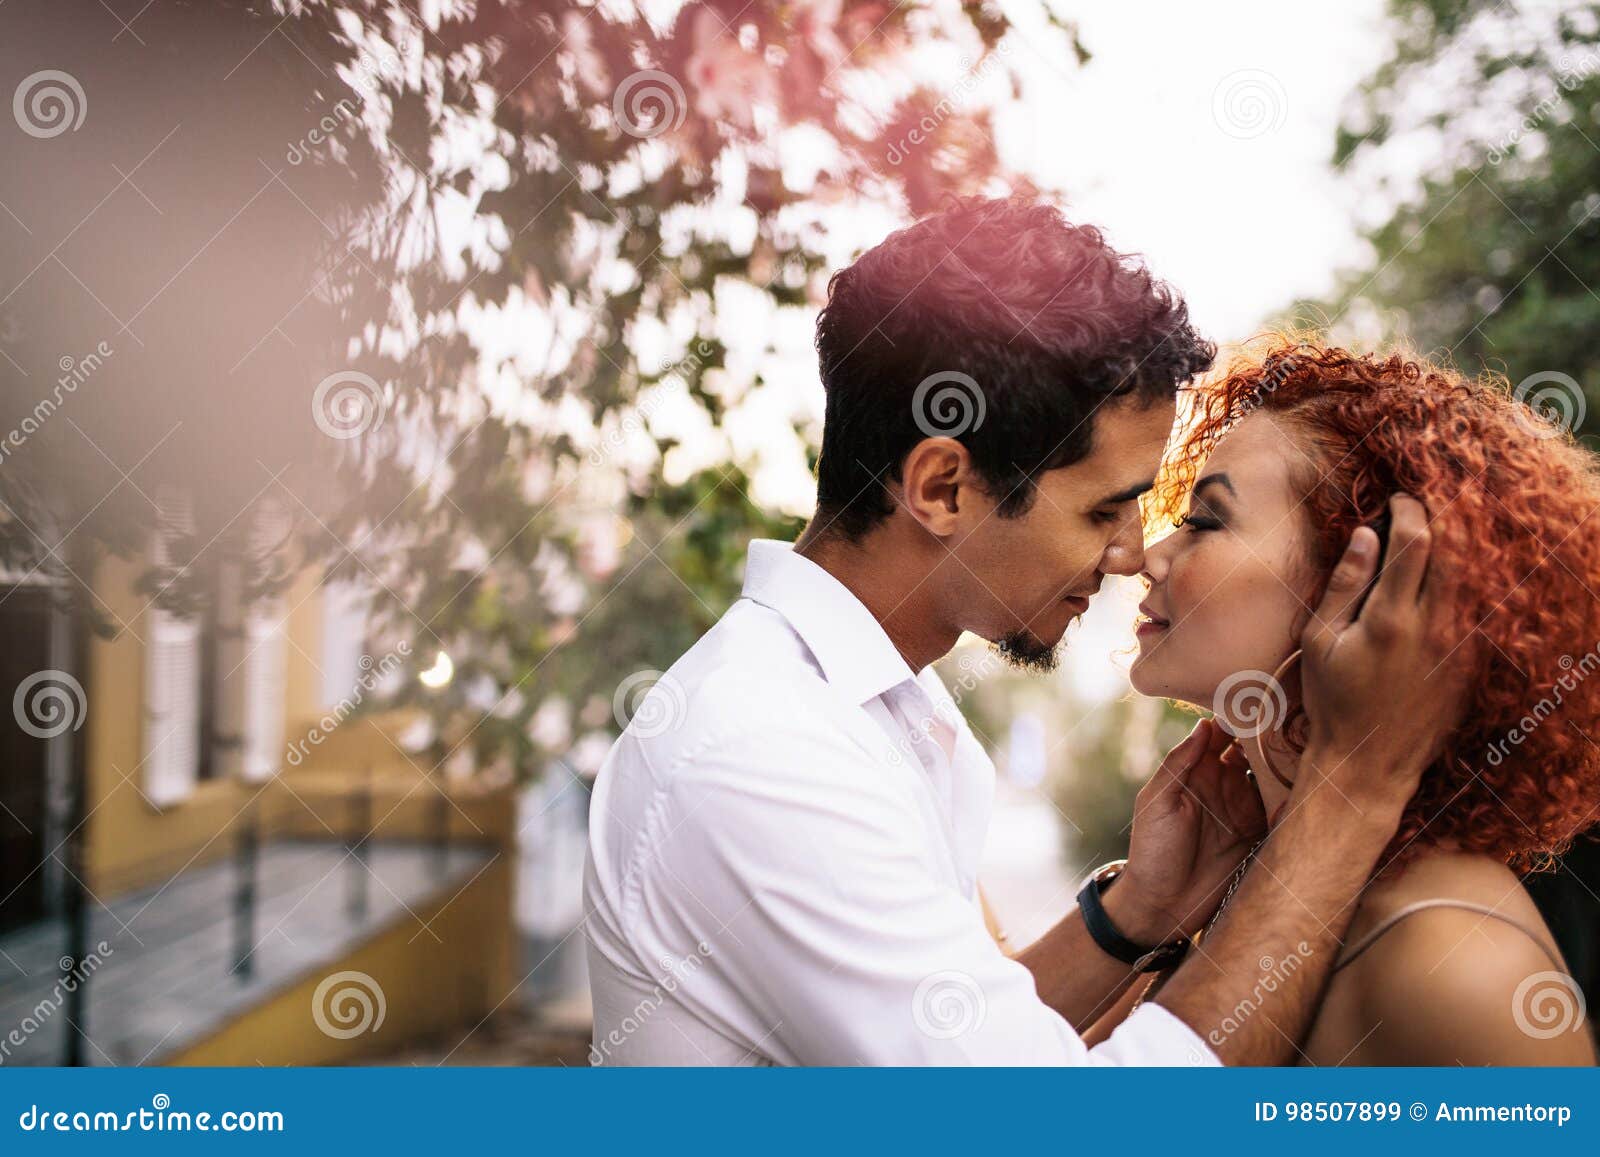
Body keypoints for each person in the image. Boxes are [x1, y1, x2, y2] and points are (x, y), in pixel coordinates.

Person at [581, 197, 1469, 1065]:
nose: (1131, 556)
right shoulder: (766, 751)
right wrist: (1353, 788)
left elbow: (963, 1045)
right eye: (1104, 511)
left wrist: (1133, 917)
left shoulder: (882, 707)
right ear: (942, 487)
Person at [1126, 338, 1599, 1065]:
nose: (1150, 554)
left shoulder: (1454, 968)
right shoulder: (1238, 883)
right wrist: (1130, 917)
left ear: (1371, 590)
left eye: (1206, 520)